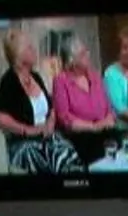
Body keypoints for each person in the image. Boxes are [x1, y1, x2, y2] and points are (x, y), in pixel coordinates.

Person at [0, 28, 81, 175]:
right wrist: (30, 131)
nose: (35, 50)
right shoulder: (9, 81)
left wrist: (50, 123)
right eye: (30, 47)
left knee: (68, 151)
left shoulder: (36, 77)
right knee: (46, 157)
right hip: (24, 144)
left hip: (47, 137)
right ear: (19, 55)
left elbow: (51, 107)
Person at [49, 36, 118, 164]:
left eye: (87, 51)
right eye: (83, 53)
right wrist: (93, 127)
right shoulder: (60, 81)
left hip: (105, 131)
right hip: (81, 136)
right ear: (71, 61)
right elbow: (64, 118)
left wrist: (109, 119)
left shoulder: (95, 76)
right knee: (96, 150)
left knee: (121, 144)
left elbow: (109, 107)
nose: (88, 54)